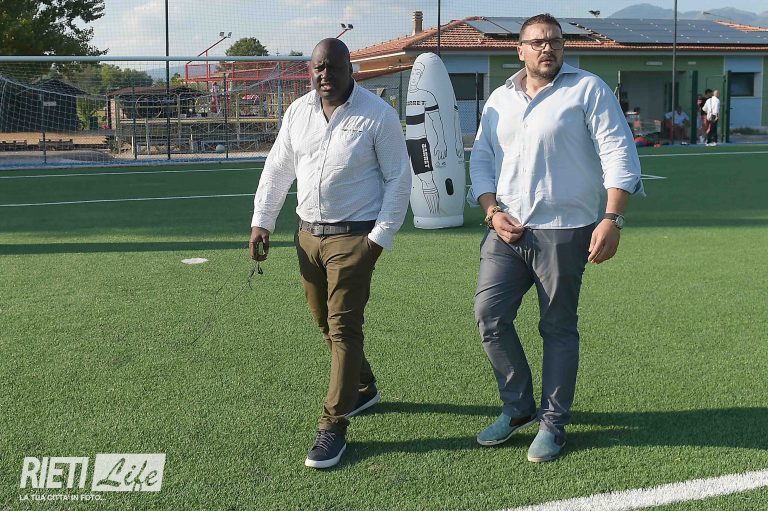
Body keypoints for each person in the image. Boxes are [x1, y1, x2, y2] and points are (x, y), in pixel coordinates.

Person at [469, 13, 644, 463]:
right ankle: (518, 408)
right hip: (506, 230)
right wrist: (491, 211)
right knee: (489, 315)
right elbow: (482, 159)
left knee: (557, 326)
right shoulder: (500, 98)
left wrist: (612, 218)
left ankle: (553, 423)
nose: (547, 48)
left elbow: (618, 151)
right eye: (538, 42)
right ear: (520, 50)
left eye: (555, 42)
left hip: (566, 229)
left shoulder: (588, 89)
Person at [249, 38, 411, 469]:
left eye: (333, 67)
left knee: (343, 328)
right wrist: (262, 220)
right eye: (318, 68)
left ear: (349, 68)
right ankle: (364, 387)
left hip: (353, 239)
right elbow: (278, 168)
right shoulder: (297, 112)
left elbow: (399, 177)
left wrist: (378, 238)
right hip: (306, 237)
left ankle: (333, 424)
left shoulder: (377, 114)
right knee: (324, 322)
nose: (325, 75)